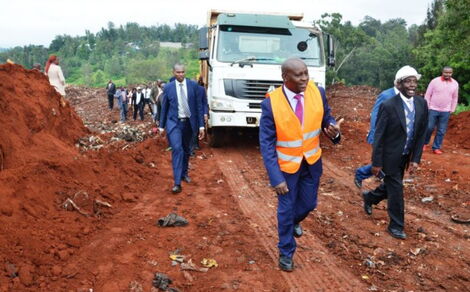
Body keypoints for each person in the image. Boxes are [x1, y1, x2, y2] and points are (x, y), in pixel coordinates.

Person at [259, 58, 342, 272]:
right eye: (299, 75)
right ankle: (286, 251)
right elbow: (266, 144)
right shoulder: (271, 102)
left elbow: (326, 119)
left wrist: (333, 130)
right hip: (286, 168)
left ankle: (291, 224)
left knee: (309, 205)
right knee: (285, 210)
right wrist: (275, 178)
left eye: (306, 73)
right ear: (285, 78)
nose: (304, 78)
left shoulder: (318, 91)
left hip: (311, 162)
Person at [362, 66, 428, 240]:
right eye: (408, 81)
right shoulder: (388, 105)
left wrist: (415, 159)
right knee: (396, 190)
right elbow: (379, 135)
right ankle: (396, 226)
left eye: (414, 81)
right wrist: (376, 162)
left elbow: (421, 133)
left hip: (405, 156)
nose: (412, 85)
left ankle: (370, 197)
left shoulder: (422, 103)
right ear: (399, 84)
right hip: (389, 156)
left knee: (392, 185)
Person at [159, 64, 205, 194]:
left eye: (183, 72)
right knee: (177, 149)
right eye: (178, 72)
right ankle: (177, 182)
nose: (181, 74)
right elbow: (164, 108)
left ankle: (184, 173)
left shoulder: (193, 86)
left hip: (189, 123)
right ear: (173, 72)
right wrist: (161, 127)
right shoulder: (168, 88)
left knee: (185, 149)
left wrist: (201, 125)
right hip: (174, 123)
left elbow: (198, 107)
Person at [354, 72, 403, 188]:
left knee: (388, 162)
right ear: (397, 82)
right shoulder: (386, 95)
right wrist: (375, 134)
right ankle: (361, 174)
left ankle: (382, 181)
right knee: (384, 162)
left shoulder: (405, 97)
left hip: (394, 136)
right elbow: (376, 115)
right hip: (382, 136)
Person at [423, 66, 459, 155]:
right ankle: (424, 143)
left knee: (441, 130)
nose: (447, 74)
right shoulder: (435, 81)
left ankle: (436, 147)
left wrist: (452, 108)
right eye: (446, 72)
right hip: (433, 108)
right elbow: (428, 94)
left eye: (449, 73)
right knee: (429, 127)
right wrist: (427, 106)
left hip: (446, 110)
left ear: (452, 73)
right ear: (442, 72)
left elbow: (455, 97)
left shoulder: (455, 83)